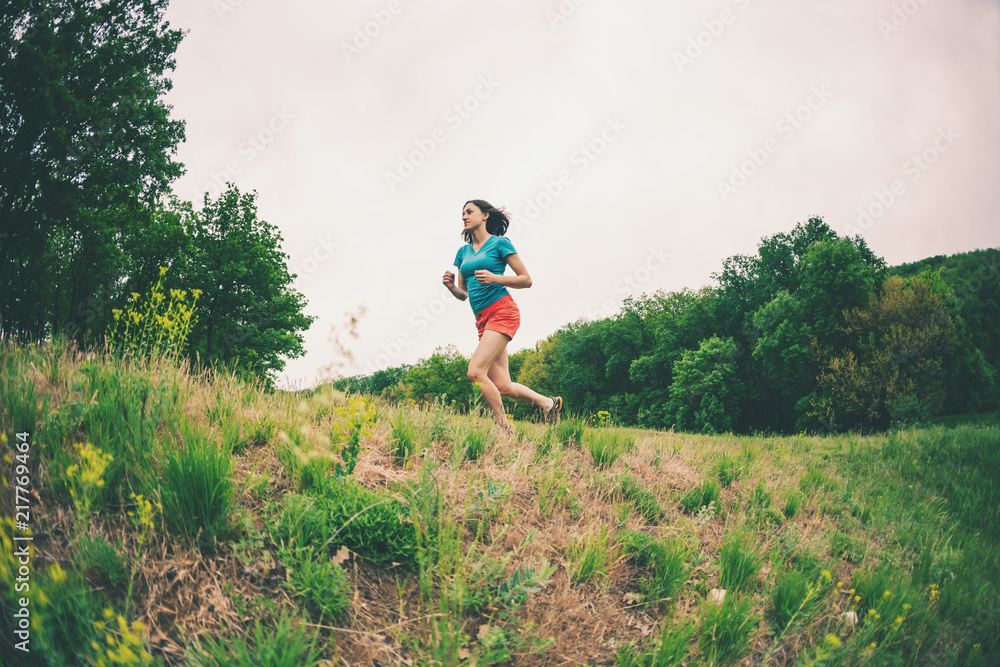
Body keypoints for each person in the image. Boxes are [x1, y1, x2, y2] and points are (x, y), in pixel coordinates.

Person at [442, 199, 562, 435]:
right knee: (503, 386)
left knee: (475, 372)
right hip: (482, 319)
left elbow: (526, 279)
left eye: (469, 212)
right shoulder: (463, 252)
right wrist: (450, 287)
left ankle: (503, 428)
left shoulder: (499, 243)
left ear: (485, 215)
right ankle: (550, 404)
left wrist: (496, 278)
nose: (464, 216)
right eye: (462, 213)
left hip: (502, 310)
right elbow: (464, 294)